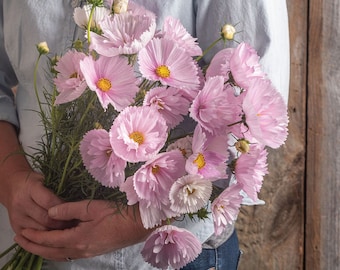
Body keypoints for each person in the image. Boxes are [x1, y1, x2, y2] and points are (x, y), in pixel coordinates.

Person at [0, 0, 290, 269]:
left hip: (161, 252)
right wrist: (10, 177)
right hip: (25, 233)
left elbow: (254, 113)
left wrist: (136, 222)